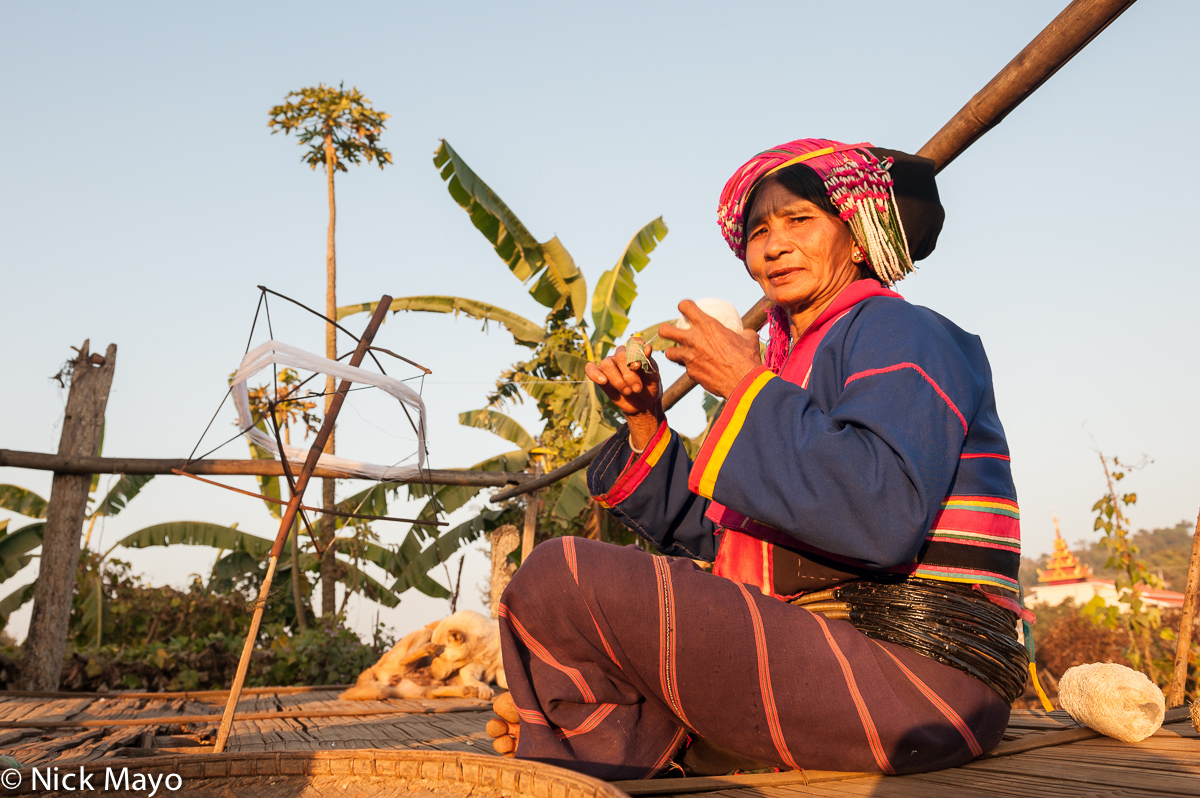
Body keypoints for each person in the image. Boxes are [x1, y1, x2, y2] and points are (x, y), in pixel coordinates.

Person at [485, 138, 1029, 780]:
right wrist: (643, 419)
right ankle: (620, 736)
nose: (773, 245)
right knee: (562, 599)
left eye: (800, 220)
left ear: (855, 235)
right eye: (759, 231)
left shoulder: (903, 332)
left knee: (559, 575)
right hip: (824, 655)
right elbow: (718, 538)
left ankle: (614, 740)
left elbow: (879, 514)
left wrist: (746, 386)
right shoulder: (785, 363)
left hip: (921, 680)